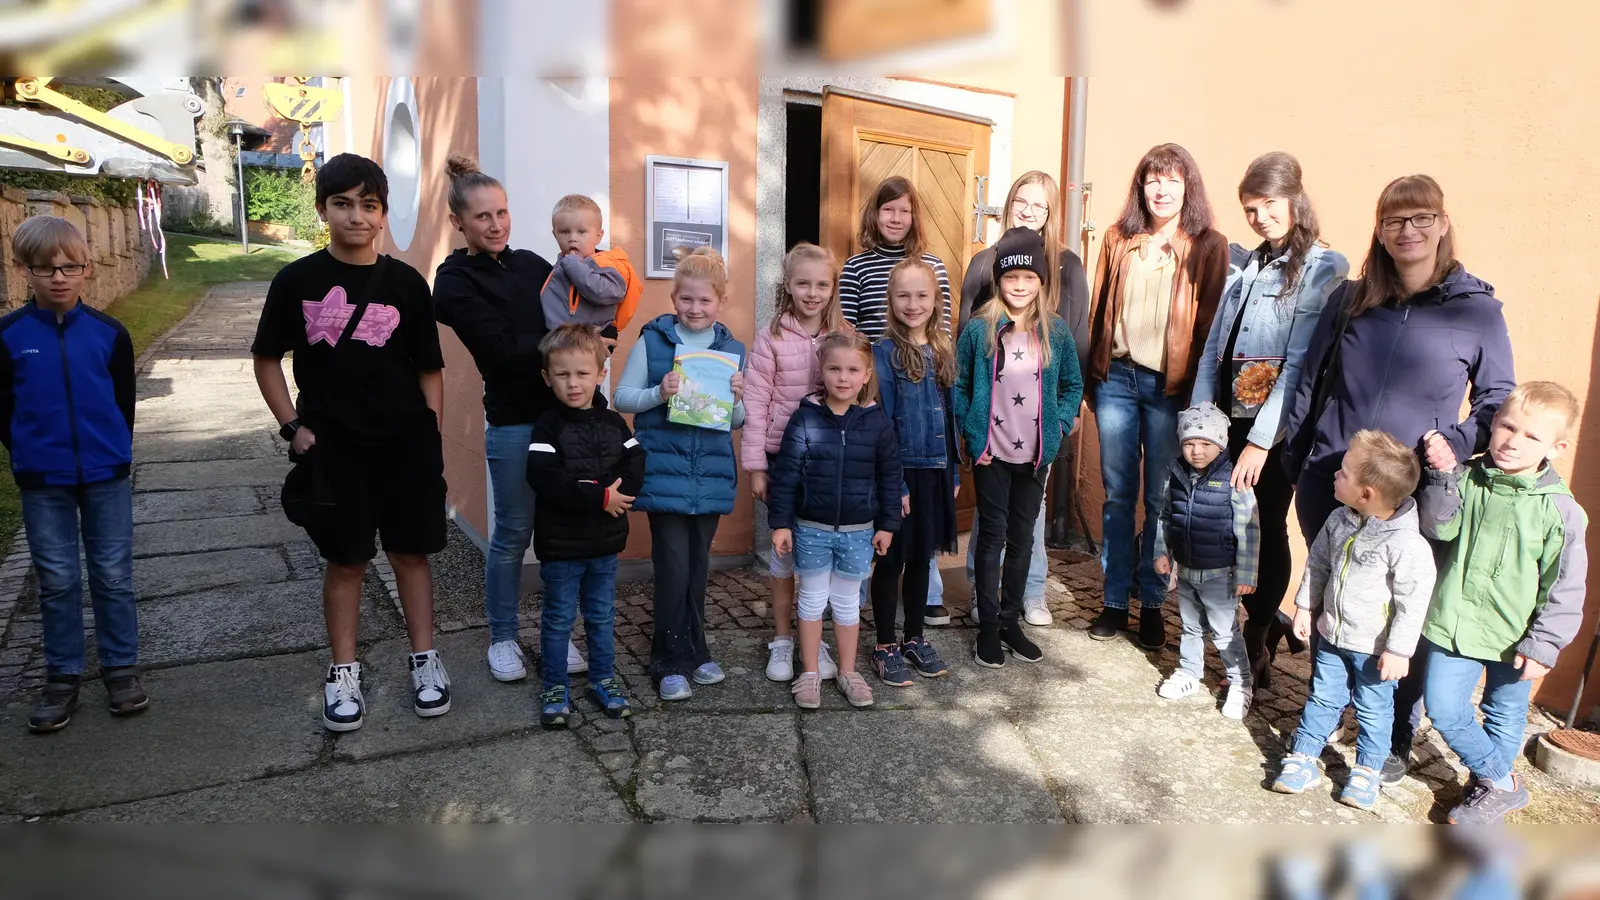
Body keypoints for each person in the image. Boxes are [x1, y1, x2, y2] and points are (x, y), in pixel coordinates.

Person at [1283, 173, 1516, 785]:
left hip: (1415, 495)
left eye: (1421, 218)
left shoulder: (1479, 312)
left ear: (1442, 223)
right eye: (1394, 221)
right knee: (1336, 599)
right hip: (1334, 478)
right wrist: (1297, 457)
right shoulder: (1353, 298)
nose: (1408, 231)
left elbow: (1497, 401)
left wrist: (1458, 443)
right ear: (1380, 231)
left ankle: (1392, 731)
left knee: (1401, 611)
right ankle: (1326, 710)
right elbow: (1311, 380)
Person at [252, 153, 451, 732]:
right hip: (335, 450)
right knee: (347, 560)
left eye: (369, 205)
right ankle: (343, 671)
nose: (356, 216)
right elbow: (267, 360)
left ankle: (425, 659)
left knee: (411, 555)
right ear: (323, 210)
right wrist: (293, 426)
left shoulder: (407, 284)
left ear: (383, 214)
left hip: (404, 446)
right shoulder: (296, 281)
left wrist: (430, 435)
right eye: (343, 203)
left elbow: (431, 370)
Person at [1191, 152, 1349, 687]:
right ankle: (1249, 623)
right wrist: (1199, 416)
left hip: (1276, 429)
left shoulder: (1323, 266)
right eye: (1250, 208)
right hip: (1227, 417)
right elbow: (1217, 340)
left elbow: (1300, 361)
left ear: (1295, 199)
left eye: (1269, 205)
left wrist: (1262, 441)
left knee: (1264, 526)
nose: (1260, 217)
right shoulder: (1248, 262)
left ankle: (1257, 633)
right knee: (1224, 523)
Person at [432, 154, 588, 684]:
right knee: (514, 532)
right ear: (459, 223)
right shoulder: (452, 281)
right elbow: (498, 351)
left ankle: (557, 633)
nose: (496, 225)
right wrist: (569, 347)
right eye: (482, 217)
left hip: (564, 420)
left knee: (561, 530)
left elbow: (575, 310)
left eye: (502, 213)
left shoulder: (530, 264)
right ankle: (502, 636)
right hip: (514, 421)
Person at [1416, 381, 1589, 824]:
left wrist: (1545, 642)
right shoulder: (1468, 478)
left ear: (1558, 447)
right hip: (1452, 620)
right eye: (1507, 426)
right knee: (1443, 707)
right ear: (1494, 424)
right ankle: (1503, 781)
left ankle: (1484, 790)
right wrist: (1440, 479)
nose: (1513, 441)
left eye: (1532, 436)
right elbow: (1441, 529)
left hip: (1517, 635)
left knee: (1504, 711)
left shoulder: (1560, 510)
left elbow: (1565, 584)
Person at [1086, 143, 1229, 651]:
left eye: (1172, 179)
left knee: (1159, 498)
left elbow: (1210, 326)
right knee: (1118, 496)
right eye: (1152, 180)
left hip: (1169, 391)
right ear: (1140, 187)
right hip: (1116, 382)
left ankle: (1151, 602)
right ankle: (1114, 601)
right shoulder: (1117, 239)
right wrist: (1091, 378)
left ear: (1187, 186)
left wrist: (1200, 399)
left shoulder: (1209, 245)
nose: (1162, 189)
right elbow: (1098, 310)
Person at [1, 216, 142, 732]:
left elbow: (122, 402)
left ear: (86, 269)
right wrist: (27, 453)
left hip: (105, 475)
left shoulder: (109, 335)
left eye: (70, 267)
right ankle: (62, 676)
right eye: (46, 268)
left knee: (112, 574)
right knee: (57, 579)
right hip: (43, 480)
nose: (59, 277)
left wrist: (113, 451)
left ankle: (121, 668)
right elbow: (5, 407)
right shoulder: (10, 337)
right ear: (24, 270)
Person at [1272, 430, 1435, 812]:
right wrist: (1305, 607)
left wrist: (1398, 650)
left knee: (1374, 710)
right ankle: (1304, 758)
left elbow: (1414, 602)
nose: (1335, 475)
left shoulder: (1407, 545)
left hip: (1374, 651)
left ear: (1367, 494)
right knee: (1322, 697)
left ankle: (1366, 771)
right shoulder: (1338, 520)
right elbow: (1318, 564)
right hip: (1331, 635)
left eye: (1343, 472)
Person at [956, 170, 1091, 628]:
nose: (1030, 211)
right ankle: (983, 594)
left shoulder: (1066, 264)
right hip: (993, 414)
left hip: (1039, 411)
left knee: (1028, 518)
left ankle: (1029, 594)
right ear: (1008, 204)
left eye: (1040, 205)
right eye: (1022, 202)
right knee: (991, 520)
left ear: (1051, 213)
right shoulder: (983, 263)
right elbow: (966, 339)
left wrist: (1061, 415)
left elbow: (1074, 339)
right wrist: (970, 419)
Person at [613, 247, 746, 702]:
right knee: (672, 568)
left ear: (720, 303)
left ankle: (697, 650)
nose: (695, 308)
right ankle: (667, 660)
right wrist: (659, 391)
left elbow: (736, 420)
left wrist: (738, 397)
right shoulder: (653, 341)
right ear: (674, 298)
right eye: (687, 300)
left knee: (698, 568)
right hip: (665, 474)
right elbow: (622, 398)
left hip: (708, 476)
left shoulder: (731, 350)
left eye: (705, 301)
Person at [840, 175, 956, 625]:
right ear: (876, 213)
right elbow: (847, 331)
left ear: (914, 216)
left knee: (921, 545)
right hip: (878, 384)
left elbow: (939, 332)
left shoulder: (932, 265)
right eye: (888, 209)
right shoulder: (857, 267)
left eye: (904, 210)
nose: (895, 217)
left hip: (924, 390)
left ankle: (922, 612)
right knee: (888, 530)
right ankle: (877, 622)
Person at [769, 331, 902, 709]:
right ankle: (809, 672)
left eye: (852, 370)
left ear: (865, 375)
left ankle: (847, 670)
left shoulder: (877, 424)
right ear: (822, 372)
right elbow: (787, 476)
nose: (843, 377)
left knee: (846, 604)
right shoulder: (805, 420)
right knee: (811, 601)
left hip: (859, 532)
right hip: (811, 528)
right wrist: (780, 523)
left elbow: (890, 477)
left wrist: (887, 525)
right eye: (834, 369)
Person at [524, 325, 647, 728]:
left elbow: (635, 462)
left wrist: (621, 495)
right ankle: (556, 686)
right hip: (562, 545)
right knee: (560, 616)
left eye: (582, 374)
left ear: (600, 374)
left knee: (601, 614)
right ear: (547, 378)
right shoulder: (546, 426)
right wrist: (601, 498)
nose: (573, 383)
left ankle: (602, 680)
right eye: (562, 375)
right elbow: (545, 477)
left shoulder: (613, 423)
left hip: (606, 542)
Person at [743, 242, 849, 683]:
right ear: (787, 285)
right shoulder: (771, 336)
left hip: (826, 461)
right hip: (780, 459)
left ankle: (814, 638)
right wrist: (755, 467)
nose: (812, 292)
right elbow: (755, 398)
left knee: (818, 555)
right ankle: (783, 640)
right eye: (803, 283)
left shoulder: (842, 332)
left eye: (821, 284)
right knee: (785, 553)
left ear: (832, 288)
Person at [869, 259, 960, 685]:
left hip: (937, 472)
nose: (912, 304)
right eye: (903, 295)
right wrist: (894, 484)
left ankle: (915, 636)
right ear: (890, 300)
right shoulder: (883, 353)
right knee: (890, 561)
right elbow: (884, 421)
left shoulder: (944, 350)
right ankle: (885, 643)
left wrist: (954, 475)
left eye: (921, 295)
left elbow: (951, 416)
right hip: (900, 474)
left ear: (935, 299)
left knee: (922, 559)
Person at [1151, 402, 1259, 720]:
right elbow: (1164, 515)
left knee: (1226, 632)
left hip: (1220, 573)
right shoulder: (1175, 474)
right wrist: (1161, 551)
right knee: (1189, 627)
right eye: (1189, 443)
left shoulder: (1234, 479)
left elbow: (1249, 528)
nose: (1196, 451)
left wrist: (1248, 573)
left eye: (1205, 444)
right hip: (1185, 569)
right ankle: (1188, 673)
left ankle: (1241, 684)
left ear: (1220, 443)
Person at [540, 193, 641, 349]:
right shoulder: (559, 267)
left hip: (593, 340)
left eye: (581, 232)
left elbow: (610, 292)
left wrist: (575, 266)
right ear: (555, 235)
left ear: (598, 236)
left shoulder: (604, 264)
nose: (572, 238)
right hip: (561, 344)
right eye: (565, 232)